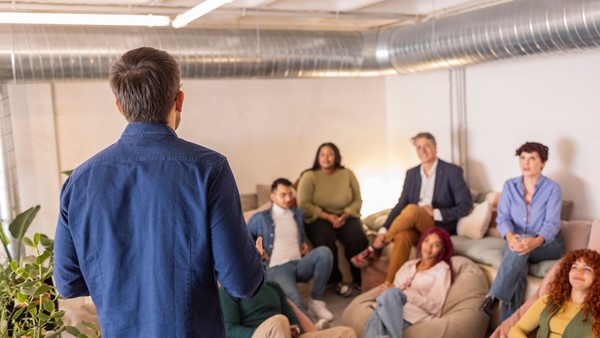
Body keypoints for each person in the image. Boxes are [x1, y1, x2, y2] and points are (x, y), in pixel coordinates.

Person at [53, 47, 265, 337]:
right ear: (179, 100)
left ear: (119, 107)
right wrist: (255, 257)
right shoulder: (209, 170)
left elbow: (67, 283)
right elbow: (243, 283)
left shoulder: (79, 181)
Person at [351, 132, 472, 285]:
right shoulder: (412, 173)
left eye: (427, 146)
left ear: (435, 147)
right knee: (403, 236)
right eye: (419, 147)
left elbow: (466, 205)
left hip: (438, 225)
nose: (423, 151)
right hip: (414, 223)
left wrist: (435, 212)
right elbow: (401, 204)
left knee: (413, 210)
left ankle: (376, 248)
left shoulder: (452, 171)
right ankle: (391, 285)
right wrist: (383, 229)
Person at [480, 142, 565, 323]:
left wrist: (534, 242)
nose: (526, 163)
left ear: (543, 163)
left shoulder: (553, 189)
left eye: (532, 158)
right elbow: (502, 219)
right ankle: (509, 327)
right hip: (515, 243)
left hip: (547, 244)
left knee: (520, 250)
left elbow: (552, 224)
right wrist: (510, 237)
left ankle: (494, 296)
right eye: (523, 158)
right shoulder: (509, 186)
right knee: (519, 263)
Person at [247, 178, 334, 326]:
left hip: (299, 263)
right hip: (277, 267)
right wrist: (257, 253)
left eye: (290, 194)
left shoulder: (297, 214)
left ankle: (316, 301)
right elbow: (245, 239)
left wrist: (305, 243)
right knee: (295, 299)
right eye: (283, 195)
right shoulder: (260, 218)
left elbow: (301, 235)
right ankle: (315, 330)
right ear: (272, 196)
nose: (288, 199)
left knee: (324, 253)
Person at [342, 227, 455, 338]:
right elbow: (394, 292)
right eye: (427, 241)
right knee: (382, 307)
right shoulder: (409, 266)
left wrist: (403, 293)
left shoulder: (442, 270)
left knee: (380, 313)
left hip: (415, 314)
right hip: (393, 308)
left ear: (443, 249)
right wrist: (390, 291)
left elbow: (435, 306)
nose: (429, 247)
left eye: (436, 245)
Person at [296, 142, 369, 296]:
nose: (326, 157)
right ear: (317, 157)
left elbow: (358, 200)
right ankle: (335, 281)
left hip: (345, 215)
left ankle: (359, 279)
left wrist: (346, 214)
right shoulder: (309, 176)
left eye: (330, 154)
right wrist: (328, 216)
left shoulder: (347, 173)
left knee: (358, 238)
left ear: (336, 156)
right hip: (319, 217)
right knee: (325, 240)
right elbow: (303, 204)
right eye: (322, 154)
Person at [509, 249, 600, 338]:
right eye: (574, 267)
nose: (578, 272)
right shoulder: (548, 300)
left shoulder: (597, 312)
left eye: (587, 269)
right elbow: (517, 329)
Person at [219, 280, 357, 338]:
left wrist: (293, 329)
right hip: (261, 335)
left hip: (285, 333)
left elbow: (292, 319)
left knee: (345, 333)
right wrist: (273, 331)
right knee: (279, 321)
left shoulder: (273, 286)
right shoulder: (227, 290)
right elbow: (229, 330)